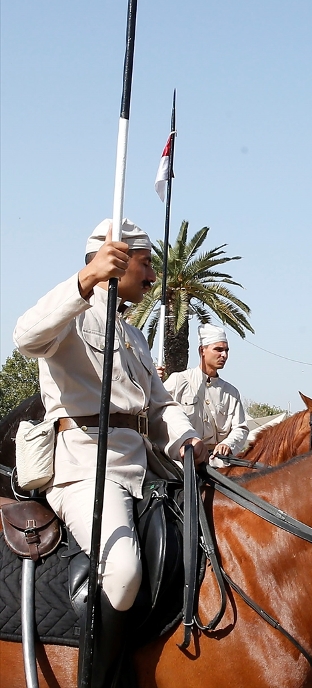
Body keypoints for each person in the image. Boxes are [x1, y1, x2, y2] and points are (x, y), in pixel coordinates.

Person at [13, 219, 207, 688]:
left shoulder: (134, 334)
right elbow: (25, 337)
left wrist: (185, 439)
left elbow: (160, 405)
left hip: (146, 470)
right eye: (144, 265)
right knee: (122, 572)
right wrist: (86, 280)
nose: (151, 277)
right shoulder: (71, 314)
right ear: (114, 262)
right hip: (85, 472)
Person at [163, 324, 248, 464]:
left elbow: (240, 428)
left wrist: (228, 444)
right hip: (183, 463)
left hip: (218, 464)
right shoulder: (179, 381)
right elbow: (159, 411)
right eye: (218, 350)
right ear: (202, 350)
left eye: (226, 350)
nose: (224, 355)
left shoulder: (231, 392)